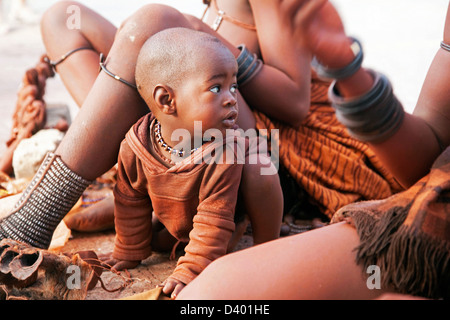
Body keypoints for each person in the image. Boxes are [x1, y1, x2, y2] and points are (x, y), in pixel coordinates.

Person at [0, 1, 398, 259]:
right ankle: (140, 181)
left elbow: (294, 103)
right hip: (179, 133)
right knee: (62, 18)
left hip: (261, 152)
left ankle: (41, 209)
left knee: (159, 21)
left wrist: (202, 36)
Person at [176, 0, 450, 300]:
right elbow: (430, 153)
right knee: (209, 297)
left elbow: (293, 104)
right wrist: (346, 69)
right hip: (438, 216)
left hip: (280, 151)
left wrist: (201, 32)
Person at [102, 27, 282, 299]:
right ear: (167, 100)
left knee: (260, 167)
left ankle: (267, 247)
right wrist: (129, 250)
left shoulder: (225, 150)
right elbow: (130, 201)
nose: (232, 98)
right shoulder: (134, 145)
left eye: (233, 86)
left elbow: (213, 219)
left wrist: (192, 269)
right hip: (181, 218)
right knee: (148, 229)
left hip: (229, 213)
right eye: (216, 87)